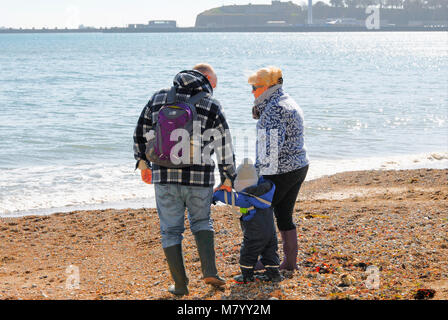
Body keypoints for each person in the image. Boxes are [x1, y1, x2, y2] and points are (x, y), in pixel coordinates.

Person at [133, 63, 237, 296]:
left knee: (170, 230)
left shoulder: (159, 97)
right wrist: (228, 177)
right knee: (201, 222)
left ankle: (180, 285)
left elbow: (141, 131)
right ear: (207, 79)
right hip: (199, 177)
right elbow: (224, 144)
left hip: (164, 175)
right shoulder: (211, 103)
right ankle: (210, 271)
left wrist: (142, 163)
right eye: (214, 85)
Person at [249, 66, 309, 271]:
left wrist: (255, 176)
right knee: (284, 214)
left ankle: (266, 261)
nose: (252, 91)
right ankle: (290, 262)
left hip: (281, 170)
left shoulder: (275, 109)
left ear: (266, 87)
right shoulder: (286, 100)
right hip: (299, 165)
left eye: (254, 87)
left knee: (261, 213)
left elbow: (269, 150)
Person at [213, 159, 282, 284]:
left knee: (248, 252)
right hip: (270, 231)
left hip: (254, 232)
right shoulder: (264, 193)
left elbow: (229, 197)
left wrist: (215, 194)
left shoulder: (246, 198)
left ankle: (247, 276)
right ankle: (274, 274)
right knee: (270, 251)